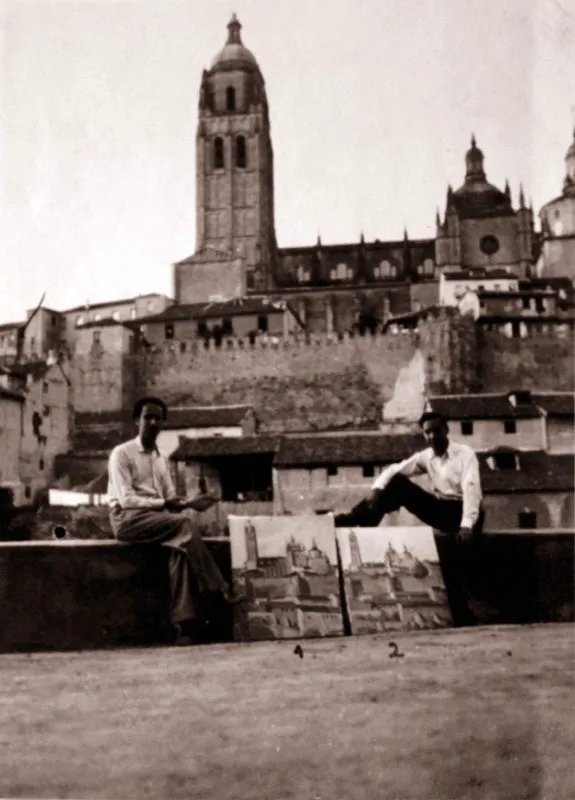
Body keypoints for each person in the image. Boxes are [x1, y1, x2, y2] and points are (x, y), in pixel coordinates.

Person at [107, 396, 239, 645]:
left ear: (163, 424)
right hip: (126, 520)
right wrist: (167, 505)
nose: (153, 422)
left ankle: (183, 627)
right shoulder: (121, 454)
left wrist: (189, 501)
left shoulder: (161, 459)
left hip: (155, 519)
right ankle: (220, 587)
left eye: (158, 418)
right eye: (148, 417)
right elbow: (126, 500)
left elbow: (170, 497)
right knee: (183, 526)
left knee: (180, 550)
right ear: (137, 420)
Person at [335, 411, 489, 624]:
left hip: (466, 512)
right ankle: (358, 519)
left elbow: (471, 489)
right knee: (396, 483)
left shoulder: (465, 454)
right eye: (427, 433)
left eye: (436, 431)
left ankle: (465, 615)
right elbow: (394, 470)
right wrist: (376, 490)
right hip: (442, 508)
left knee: (458, 563)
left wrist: (466, 526)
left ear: (446, 430)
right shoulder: (426, 457)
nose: (432, 436)